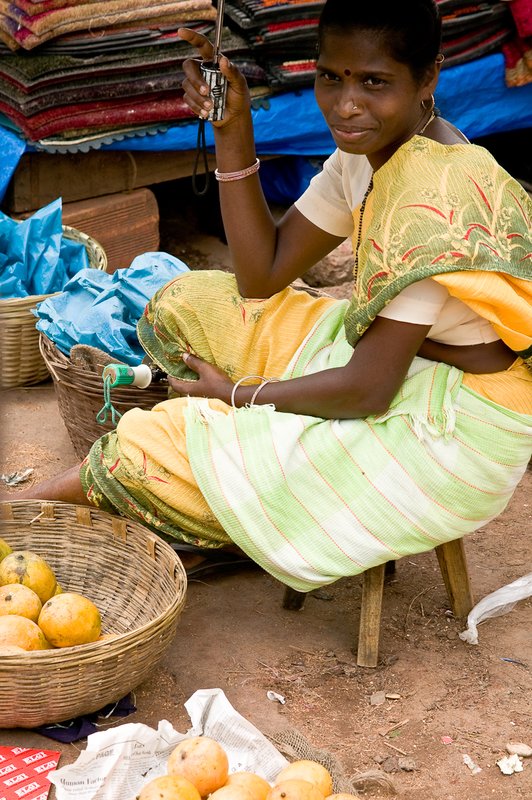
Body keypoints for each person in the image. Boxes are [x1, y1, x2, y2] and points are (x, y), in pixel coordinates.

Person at [7, 0, 531, 591]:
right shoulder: (368, 154)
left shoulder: (433, 193)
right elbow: (262, 275)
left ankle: (19, 515)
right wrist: (234, 130)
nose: (345, 104)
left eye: (374, 83)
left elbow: (367, 389)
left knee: (150, 447)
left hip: (455, 428)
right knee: (185, 305)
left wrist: (234, 396)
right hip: (400, 363)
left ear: (428, 78)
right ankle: (233, 505)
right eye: (331, 77)